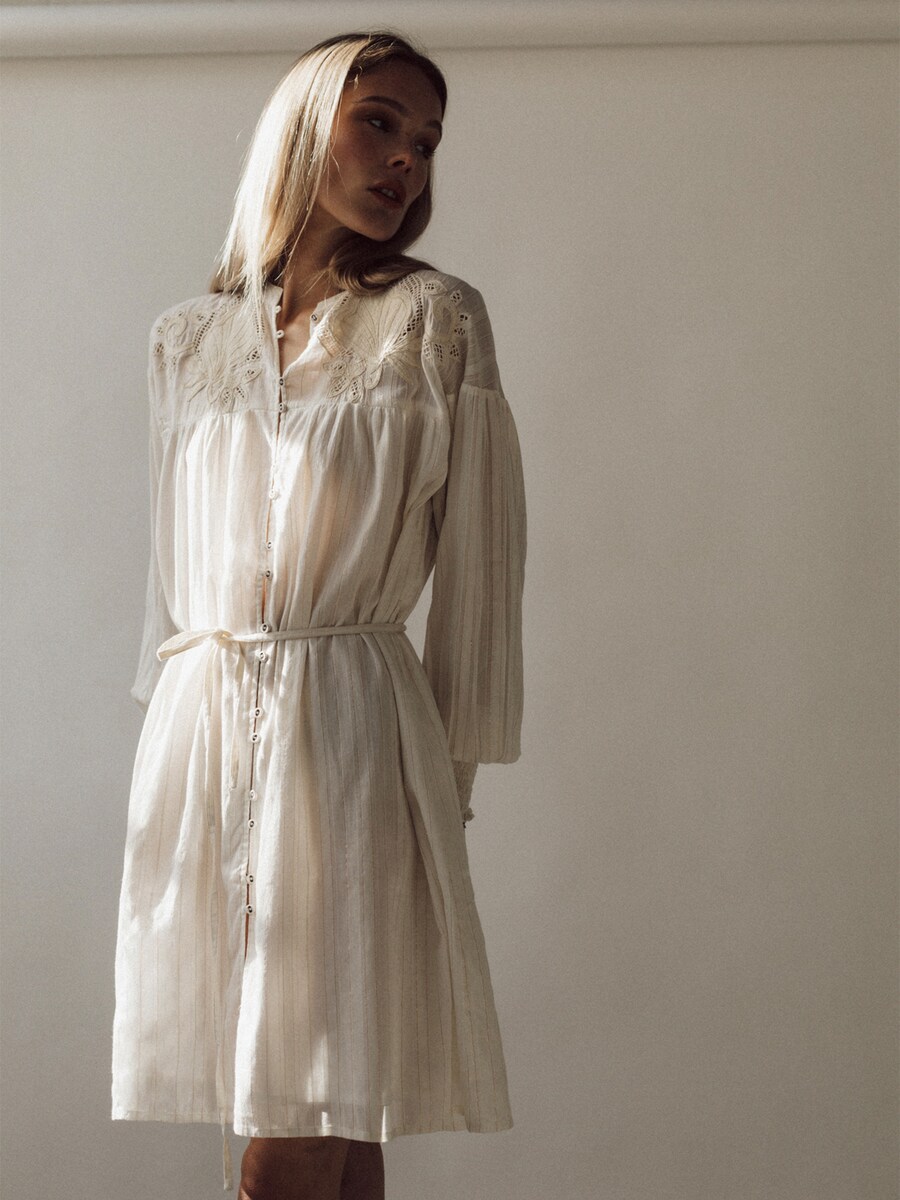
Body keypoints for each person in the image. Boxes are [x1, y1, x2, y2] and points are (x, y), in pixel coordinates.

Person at [111, 30, 527, 1200]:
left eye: (426, 141)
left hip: (353, 741)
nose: (406, 160)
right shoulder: (186, 340)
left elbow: (483, 579)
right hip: (203, 739)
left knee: (305, 1104)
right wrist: (168, 750)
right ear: (301, 126)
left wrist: (441, 784)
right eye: (379, 122)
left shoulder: (435, 321)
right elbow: (168, 580)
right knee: (334, 1121)